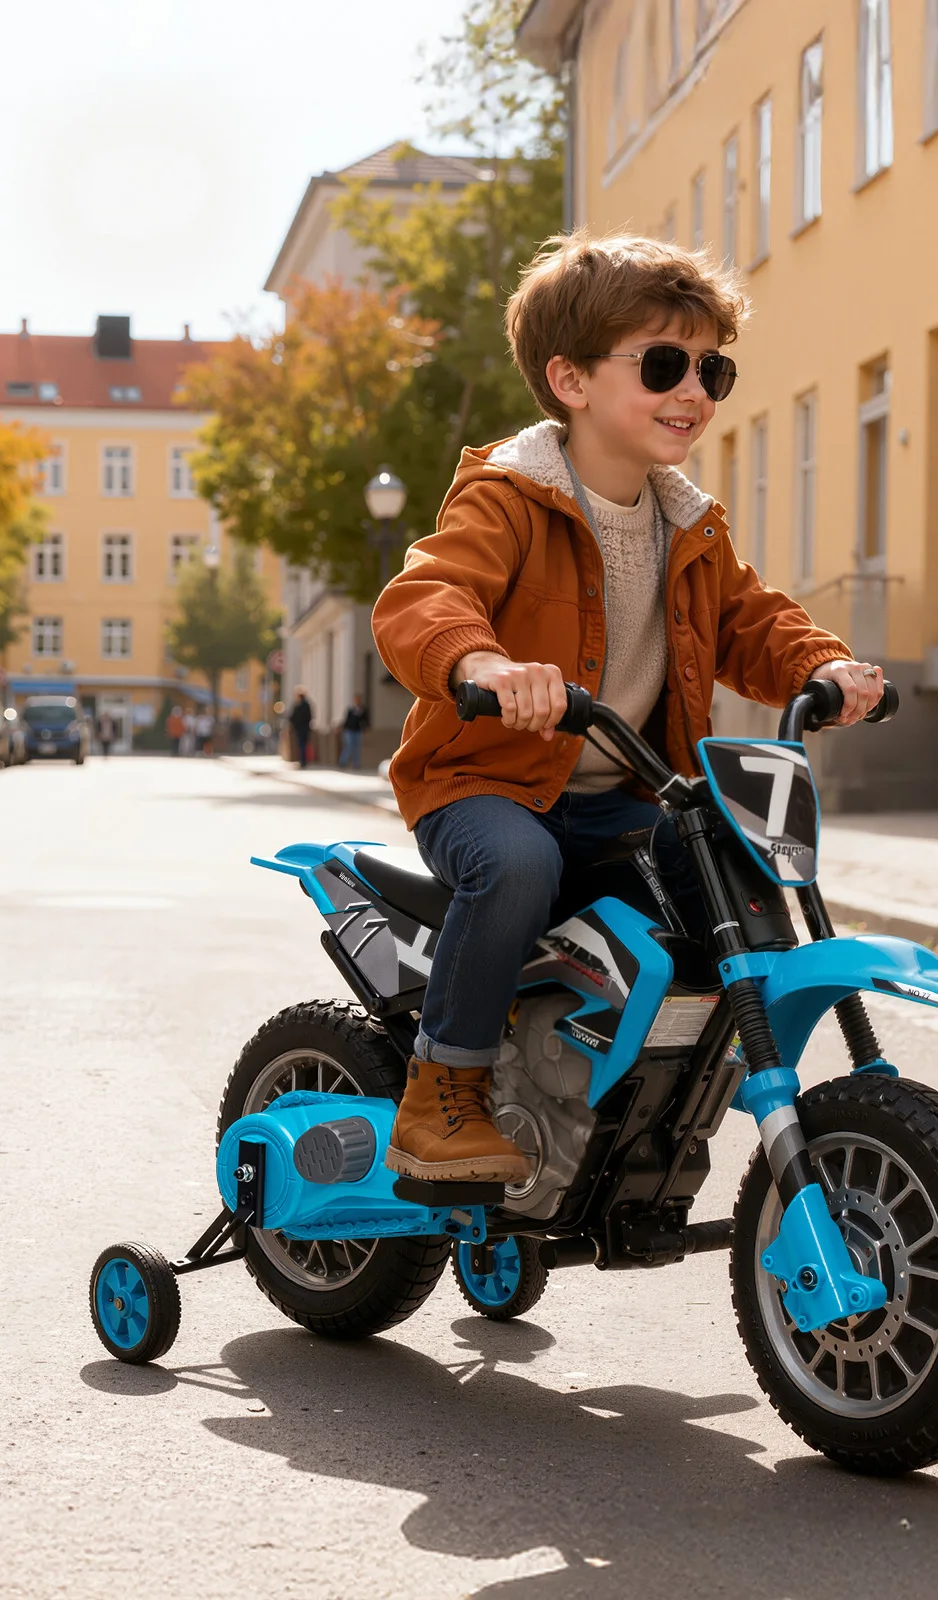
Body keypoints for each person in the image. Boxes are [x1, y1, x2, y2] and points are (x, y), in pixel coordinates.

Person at [371, 230, 885, 1185]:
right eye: (662, 365)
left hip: (628, 794)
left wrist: (829, 664)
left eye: (710, 370)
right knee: (518, 866)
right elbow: (424, 598)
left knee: (734, 868)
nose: (693, 390)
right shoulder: (511, 498)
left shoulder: (686, 520)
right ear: (570, 380)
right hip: (490, 784)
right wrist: (482, 660)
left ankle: (699, 1071)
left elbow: (751, 621)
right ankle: (442, 1093)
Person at [338, 694, 369, 770]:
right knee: (349, 746)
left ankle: (356, 763)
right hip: (349, 730)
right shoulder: (351, 710)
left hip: (358, 730)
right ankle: (342, 762)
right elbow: (347, 720)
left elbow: (366, 720)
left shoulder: (363, 710)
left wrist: (366, 728)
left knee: (357, 747)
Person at [287, 689, 314, 769]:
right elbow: (310, 716)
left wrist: (293, 725)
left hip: (300, 728)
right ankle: (303, 761)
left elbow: (292, 717)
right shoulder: (307, 705)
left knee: (301, 745)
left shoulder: (297, 706)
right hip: (305, 727)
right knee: (304, 745)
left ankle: (303, 761)